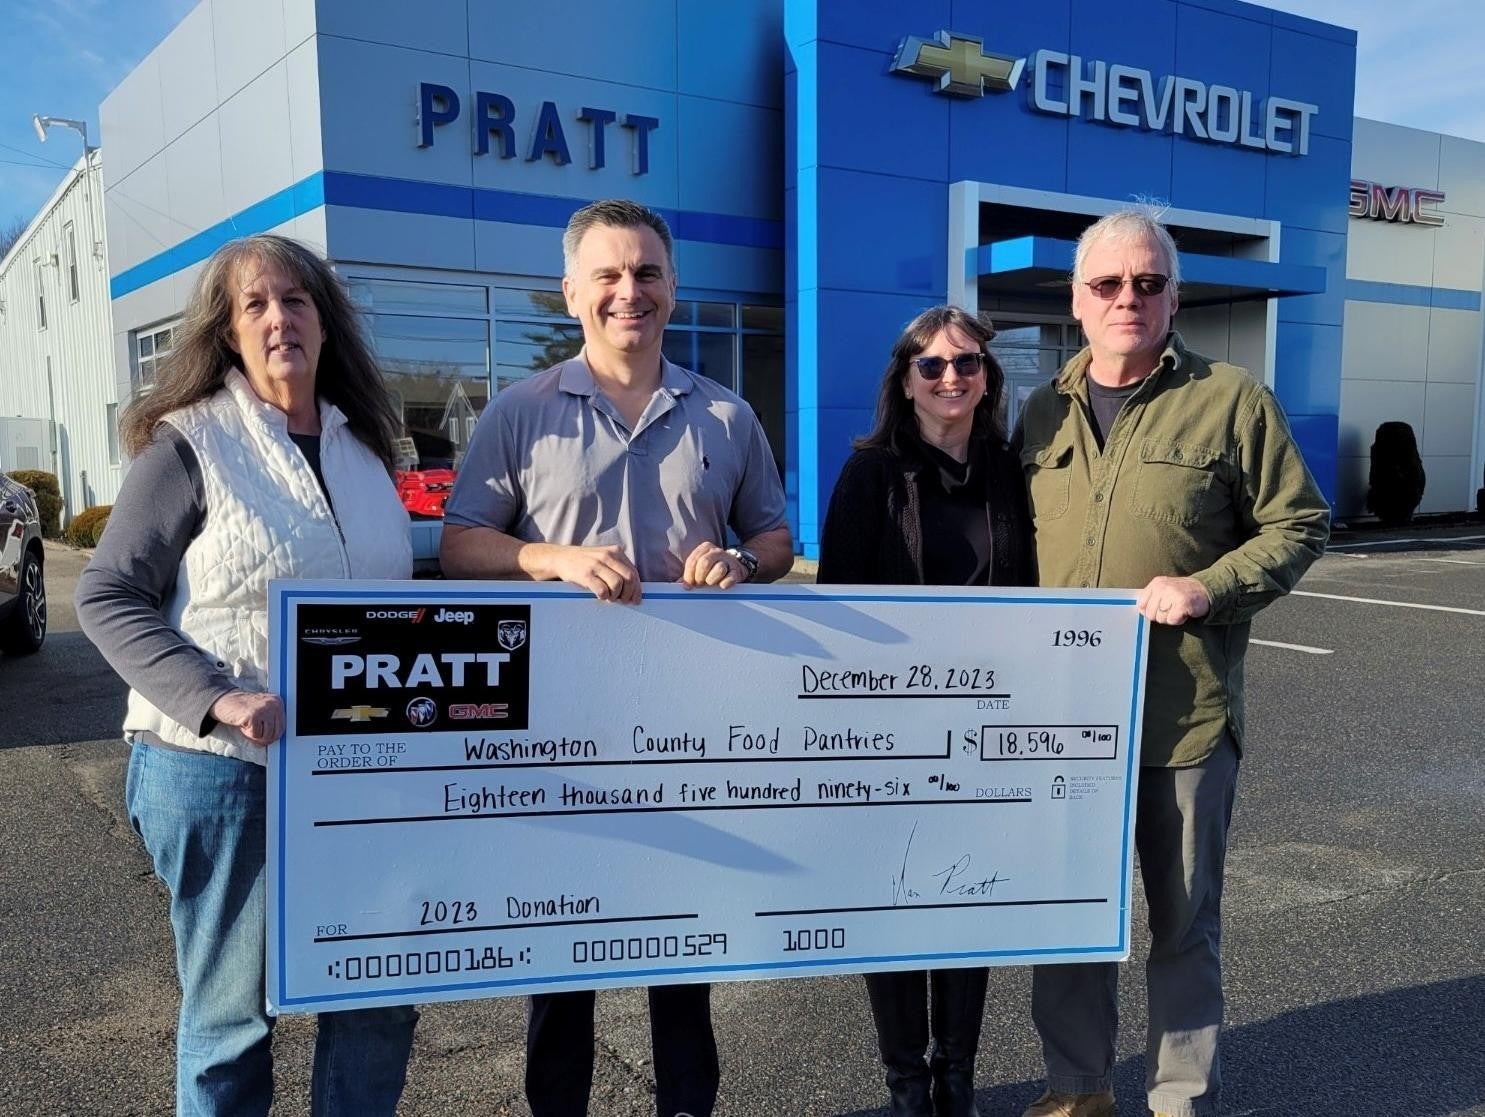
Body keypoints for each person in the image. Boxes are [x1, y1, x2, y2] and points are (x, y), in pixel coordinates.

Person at [439, 198, 792, 1117]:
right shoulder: (520, 414)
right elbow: (460, 542)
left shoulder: (724, 413)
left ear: (673, 289)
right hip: (563, 732)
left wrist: (744, 560)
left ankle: (687, 1107)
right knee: (561, 961)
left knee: (683, 947)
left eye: (645, 273)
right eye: (607, 274)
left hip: (690, 729)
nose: (627, 291)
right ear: (571, 293)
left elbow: (776, 533)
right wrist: (548, 558)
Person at [76, 234, 419, 1115]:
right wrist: (213, 694)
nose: (278, 319)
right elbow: (108, 595)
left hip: (357, 778)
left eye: (295, 301)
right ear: (227, 332)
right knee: (233, 1023)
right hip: (223, 773)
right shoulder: (188, 446)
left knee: (374, 998)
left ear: (324, 320)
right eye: (255, 305)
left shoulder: (366, 449)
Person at [1014, 207, 1330, 1117]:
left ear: (1173, 295)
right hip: (1062, 723)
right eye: (1108, 284)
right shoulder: (1038, 410)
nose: (1128, 299)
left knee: (1183, 925)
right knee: (1070, 920)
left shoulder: (1230, 398)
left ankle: (1179, 1097)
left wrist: (1210, 585)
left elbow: (1298, 523)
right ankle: (1077, 1088)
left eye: (1147, 283)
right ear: (1076, 300)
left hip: (1180, 720)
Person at [816, 305, 1034, 1117]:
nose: (950, 377)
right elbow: (836, 612)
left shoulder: (1010, 469)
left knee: (966, 900)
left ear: (988, 377)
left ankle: (958, 1078)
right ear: (903, 382)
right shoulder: (869, 472)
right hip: (891, 732)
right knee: (898, 904)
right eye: (931, 365)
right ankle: (907, 1084)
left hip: (985, 729)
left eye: (966, 363)